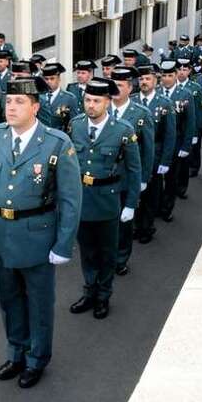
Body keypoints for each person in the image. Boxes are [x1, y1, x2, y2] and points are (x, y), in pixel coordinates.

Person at [0, 77, 81, 388]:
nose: (11, 107)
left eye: (19, 102)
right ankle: (16, 351)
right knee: (9, 300)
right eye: (8, 101)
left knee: (39, 303)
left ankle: (37, 358)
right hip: (1, 231)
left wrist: (63, 244)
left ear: (35, 107)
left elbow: (71, 199)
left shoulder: (56, 143)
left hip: (37, 234)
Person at [68, 78, 140, 319]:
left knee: (107, 253)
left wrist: (130, 204)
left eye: (96, 101)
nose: (91, 105)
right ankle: (90, 291)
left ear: (108, 102)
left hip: (108, 201)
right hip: (83, 199)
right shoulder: (76, 125)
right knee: (87, 251)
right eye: (87, 100)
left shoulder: (123, 130)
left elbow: (134, 169)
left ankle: (103, 295)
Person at [109, 67, 153, 275]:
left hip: (126, 179)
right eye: (113, 85)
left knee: (124, 224)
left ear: (129, 88)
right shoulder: (101, 110)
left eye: (120, 85)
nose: (115, 89)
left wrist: (143, 179)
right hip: (103, 180)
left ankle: (120, 259)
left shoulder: (141, 114)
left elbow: (147, 150)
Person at [132, 65, 176, 243]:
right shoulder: (133, 100)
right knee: (134, 193)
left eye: (147, 79)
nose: (144, 82)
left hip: (155, 156)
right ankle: (136, 226)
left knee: (151, 194)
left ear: (155, 81)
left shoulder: (164, 103)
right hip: (134, 155)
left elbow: (169, 135)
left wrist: (165, 160)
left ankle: (147, 228)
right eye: (141, 79)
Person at [159, 61, 195, 221]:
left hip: (176, 142)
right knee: (156, 179)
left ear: (175, 76)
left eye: (170, 75)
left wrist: (186, 146)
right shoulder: (156, 93)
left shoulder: (185, 94)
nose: (167, 79)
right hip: (158, 143)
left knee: (171, 178)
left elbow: (190, 122)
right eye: (164, 75)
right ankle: (157, 206)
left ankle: (167, 208)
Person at [37, 63, 80, 132]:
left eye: (52, 78)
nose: (48, 82)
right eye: (46, 79)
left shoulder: (69, 98)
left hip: (60, 135)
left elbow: (74, 122)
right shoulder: (38, 97)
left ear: (59, 79)